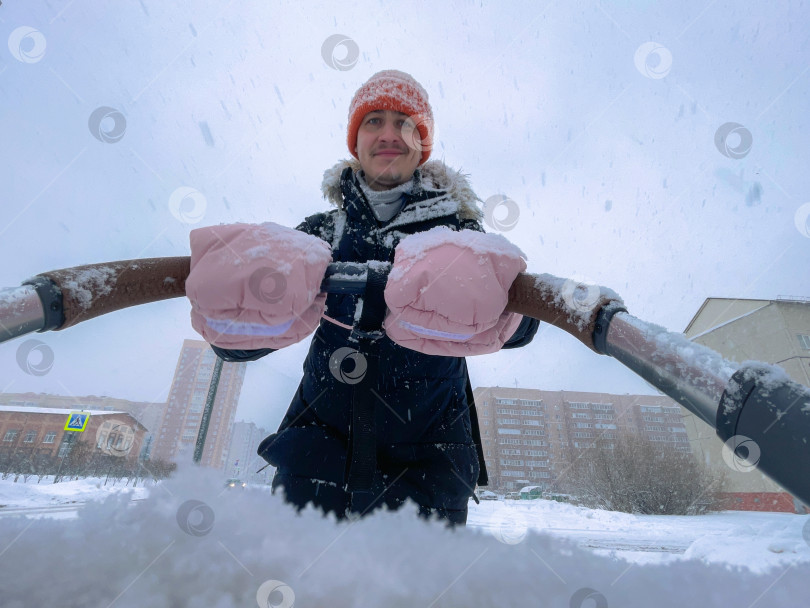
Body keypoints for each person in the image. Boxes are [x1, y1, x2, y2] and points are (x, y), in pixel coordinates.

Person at [185, 70, 539, 526]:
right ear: (356, 141)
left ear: (422, 143)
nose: (389, 134)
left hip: (428, 470)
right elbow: (239, 346)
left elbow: (520, 324)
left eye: (404, 122)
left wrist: (502, 312)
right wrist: (237, 309)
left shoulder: (460, 235)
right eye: (373, 121)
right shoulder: (319, 232)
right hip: (315, 460)